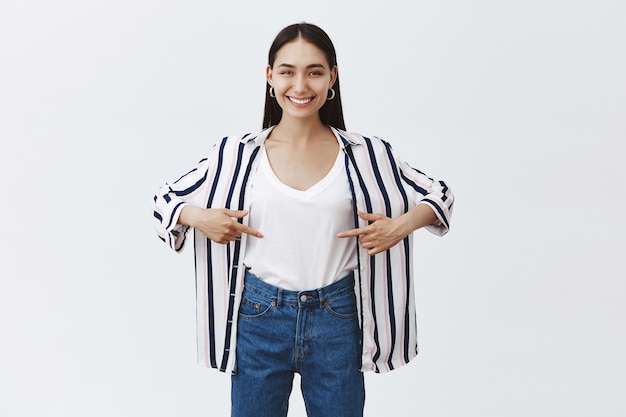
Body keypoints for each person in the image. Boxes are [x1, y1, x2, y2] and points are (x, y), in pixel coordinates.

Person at [152, 22, 454, 417]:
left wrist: (400, 226)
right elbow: (164, 200)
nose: (300, 85)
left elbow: (440, 193)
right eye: (287, 71)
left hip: (339, 318)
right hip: (257, 318)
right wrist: (199, 218)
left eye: (314, 71)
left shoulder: (368, 154)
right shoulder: (234, 153)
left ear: (332, 77)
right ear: (269, 77)